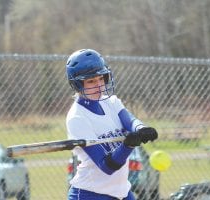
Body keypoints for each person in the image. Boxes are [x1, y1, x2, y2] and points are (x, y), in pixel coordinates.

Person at [65, 49, 158, 200]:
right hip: (91, 194)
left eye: (101, 78)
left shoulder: (111, 102)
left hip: (121, 192)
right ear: (77, 84)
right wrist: (127, 146)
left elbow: (130, 121)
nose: (99, 85)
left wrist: (141, 128)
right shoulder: (77, 118)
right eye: (91, 81)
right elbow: (107, 166)